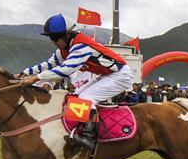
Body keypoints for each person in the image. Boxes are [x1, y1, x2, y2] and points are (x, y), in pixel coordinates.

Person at [20, 14, 133, 150]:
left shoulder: (81, 46)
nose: (53, 41)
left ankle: (89, 138)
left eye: (55, 37)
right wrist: (25, 73)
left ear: (67, 34)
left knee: (85, 99)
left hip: (121, 74)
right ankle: (79, 130)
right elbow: (48, 64)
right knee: (75, 97)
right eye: (50, 37)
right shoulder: (64, 50)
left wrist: (36, 78)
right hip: (108, 74)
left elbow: (65, 70)